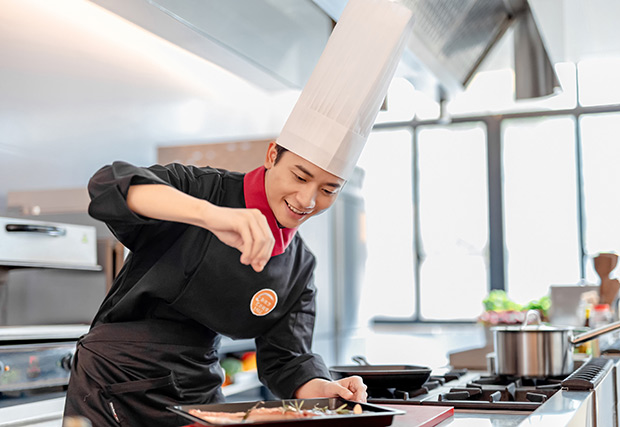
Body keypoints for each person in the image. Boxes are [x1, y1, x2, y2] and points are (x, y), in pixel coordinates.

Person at [63, 0, 414, 425]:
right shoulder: (204, 189)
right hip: (114, 381)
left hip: (198, 390)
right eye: (300, 176)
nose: (307, 200)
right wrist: (212, 216)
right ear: (272, 155)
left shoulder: (298, 267)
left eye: (328, 190)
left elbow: (289, 361)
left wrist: (327, 390)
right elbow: (109, 187)